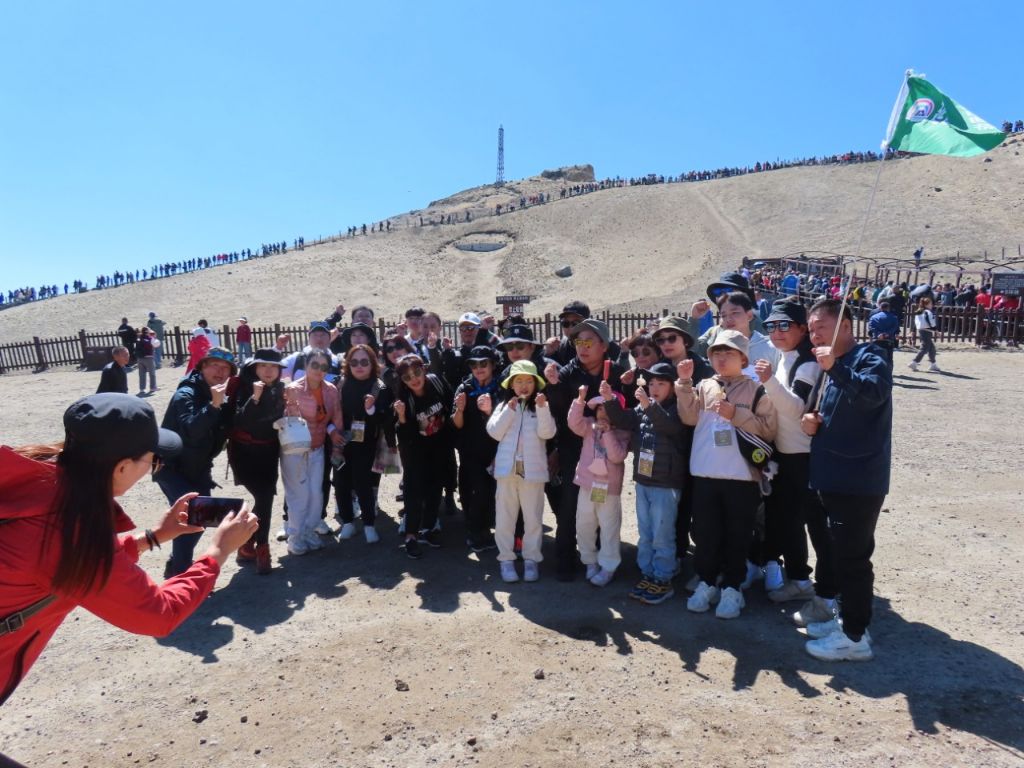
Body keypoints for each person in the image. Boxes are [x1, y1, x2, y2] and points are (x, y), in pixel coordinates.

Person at [0, 393, 258, 706]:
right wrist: (218, 551)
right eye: (153, 461)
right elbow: (159, 615)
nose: (154, 467)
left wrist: (154, 536)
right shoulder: (67, 530)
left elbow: (82, 563)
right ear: (122, 468)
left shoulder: (45, 476)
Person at [800, 298, 892, 661]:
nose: (814, 335)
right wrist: (811, 422)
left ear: (847, 326)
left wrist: (835, 368)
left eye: (821, 327)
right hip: (829, 474)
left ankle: (854, 637)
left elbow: (873, 394)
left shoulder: (871, 356)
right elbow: (826, 411)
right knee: (837, 552)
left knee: (853, 558)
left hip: (858, 478)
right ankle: (844, 619)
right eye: (811, 329)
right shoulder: (828, 365)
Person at [676, 330, 778, 620]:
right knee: (706, 534)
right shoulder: (704, 385)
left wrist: (736, 414)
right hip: (705, 473)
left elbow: (769, 429)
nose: (721, 358)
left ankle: (733, 587)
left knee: (738, 535)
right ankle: (707, 582)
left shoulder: (756, 389)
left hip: (742, 477)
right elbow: (689, 417)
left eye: (729, 353)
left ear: (743, 358)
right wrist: (684, 383)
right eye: (716, 353)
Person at [752, 300, 835, 617]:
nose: (777, 331)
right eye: (771, 326)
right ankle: (799, 578)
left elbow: (796, 407)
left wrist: (768, 381)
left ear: (802, 329)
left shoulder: (808, 364)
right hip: (785, 456)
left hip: (805, 458)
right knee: (787, 522)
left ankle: (827, 591)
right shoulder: (783, 359)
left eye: (784, 325)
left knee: (816, 526)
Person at [543, 319, 626, 580]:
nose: (583, 347)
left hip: (607, 451)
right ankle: (566, 560)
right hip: (574, 449)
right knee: (571, 506)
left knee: (604, 506)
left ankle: (603, 559)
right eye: (579, 341)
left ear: (604, 345)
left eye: (589, 342)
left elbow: (627, 413)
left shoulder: (616, 372)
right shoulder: (569, 371)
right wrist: (554, 385)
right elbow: (558, 411)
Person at [603, 361, 688, 604]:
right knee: (646, 531)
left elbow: (670, 427)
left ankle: (663, 578)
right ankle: (648, 573)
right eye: (651, 384)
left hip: (666, 484)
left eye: (661, 383)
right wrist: (609, 399)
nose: (655, 388)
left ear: (672, 387)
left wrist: (648, 406)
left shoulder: (678, 409)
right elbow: (623, 419)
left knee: (662, 534)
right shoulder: (642, 408)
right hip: (643, 481)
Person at [156, 347, 237, 577]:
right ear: (202, 367)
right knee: (190, 519)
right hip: (171, 468)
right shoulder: (186, 394)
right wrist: (213, 406)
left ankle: (176, 565)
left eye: (225, 368)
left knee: (200, 521)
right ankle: (180, 575)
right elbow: (192, 430)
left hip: (198, 468)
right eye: (214, 365)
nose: (220, 371)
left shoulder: (220, 395)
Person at [483, 360, 557, 583]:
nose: (524, 386)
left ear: (536, 384)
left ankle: (531, 559)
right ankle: (506, 560)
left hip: (533, 474)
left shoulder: (541, 406)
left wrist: (543, 409)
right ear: (511, 385)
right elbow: (494, 432)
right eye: (519, 381)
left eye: (528, 381)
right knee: (504, 518)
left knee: (533, 518)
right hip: (506, 472)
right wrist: (509, 410)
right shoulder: (505, 406)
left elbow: (548, 433)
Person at [228, 348, 286, 574]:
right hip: (244, 452)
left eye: (273, 366)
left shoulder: (280, 389)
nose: (268, 370)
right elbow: (240, 421)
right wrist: (255, 398)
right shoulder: (244, 387)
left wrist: (291, 404)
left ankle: (247, 544)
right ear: (255, 368)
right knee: (264, 496)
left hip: (269, 452)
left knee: (265, 497)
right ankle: (262, 549)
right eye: (263, 365)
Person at [281, 349, 344, 555]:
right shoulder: (294, 389)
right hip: (295, 450)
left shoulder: (331, 390)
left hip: (318, 448)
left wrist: (336, 440)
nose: (319, 370)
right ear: (306, 366)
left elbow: (335, 418)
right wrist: (291, 402)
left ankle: (309, 531)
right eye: (314, 365)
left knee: (316, 494)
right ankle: (295, 537)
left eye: (324, 366)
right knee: (298, 495)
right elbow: (290, 422)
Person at [393, 354, 454, 558]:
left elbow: (450, 405)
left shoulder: (436, 383)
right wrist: (402, 417)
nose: (414, 379)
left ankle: (428, 529)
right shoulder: (404, 399)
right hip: (415, 451)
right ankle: (411, 535)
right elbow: (404, 435)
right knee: (414, 493)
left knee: (435, 489)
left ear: (424, 370)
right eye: (407, 377)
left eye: (417, 372)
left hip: (439, 446)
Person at [569, 387, 630, 587]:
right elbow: (573, 423)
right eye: (600, 408)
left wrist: (608, 432)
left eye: (608, 409)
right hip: (587, 484)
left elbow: (617, 456)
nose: (603, 413)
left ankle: (608, 567)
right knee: (584, 525)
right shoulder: (589, 425)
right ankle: (589, 561)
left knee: (609, 528)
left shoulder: (622, 432)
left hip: (608, 489)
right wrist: (580, 400)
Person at [334, 344, 394, 543]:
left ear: (372, 363)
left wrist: (371, 409)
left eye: (364, 362)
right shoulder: (340, 384)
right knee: (341, 482)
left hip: (366, 442)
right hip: (341, 441)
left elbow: (386, 418)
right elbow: (329, 411)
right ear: (348, 364)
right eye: (354, 362)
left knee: (363, 483)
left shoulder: (379, 387)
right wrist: (332, 431)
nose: (359, 366)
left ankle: (369, 524)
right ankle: (347, 522)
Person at [452, 346, 501, 553]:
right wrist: (460, 409)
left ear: (493, 365)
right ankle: (474, 531)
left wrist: (489, 411)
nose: (478, 368)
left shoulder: (501, 388)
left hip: (494, 449)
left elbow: (504, 422)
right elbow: (457, 424)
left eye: (483, 363)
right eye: (474, 364)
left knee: (490, 491)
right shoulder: (463, 388)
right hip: (470, 449)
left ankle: (486, 529)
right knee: (473, 490)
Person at [909, 297, 940, 372]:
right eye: (930, 304)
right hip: (927, 330)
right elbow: (930, 321)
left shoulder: (919, 312)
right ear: (926, 304)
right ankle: (914, 362)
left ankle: (933, 364)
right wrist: (935, 330)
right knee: (924, 348)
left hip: (921, 330)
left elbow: (915, 323)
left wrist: (913, 331)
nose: (932, 305)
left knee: (932, 348)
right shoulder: (928, 312)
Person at [867, 301, 900, 366]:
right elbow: (895, 327)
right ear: (888, 308)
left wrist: (878, 334)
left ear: (880, 308)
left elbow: (871, 327)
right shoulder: (894, 317)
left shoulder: (873, 317)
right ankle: (888, 370)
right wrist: (887, 333)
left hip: (877, 339)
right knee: (889, 359)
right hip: (889, 340)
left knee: (877, 358)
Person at [135, 326, 157, 395]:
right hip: (149, 358)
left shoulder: (138, 339)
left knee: (141, 374)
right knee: (152, 373)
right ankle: (152, 387)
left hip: (140, 358)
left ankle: (142, 389)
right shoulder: (150, 338)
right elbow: (156, 345)